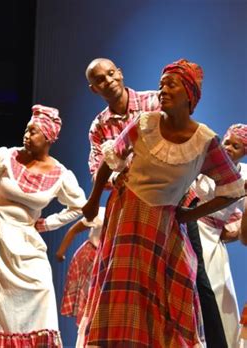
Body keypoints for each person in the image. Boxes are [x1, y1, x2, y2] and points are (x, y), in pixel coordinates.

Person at [77, 59, 245, 347]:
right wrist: (93, 202)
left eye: (171, 85)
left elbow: (231, 189)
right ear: (94, 89)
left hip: (169, 215)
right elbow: (104, 163)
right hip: (128, 211)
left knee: (184, 283)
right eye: (162, 84)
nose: (163, 90)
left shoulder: (201, 138)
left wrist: (192, 213)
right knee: (124, 286)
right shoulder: (130, 123)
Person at [0, 105, 87, 347]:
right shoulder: (7, 156)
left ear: (48, 138)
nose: (26, 135)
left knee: (40, 285)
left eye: (33, 132)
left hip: (24, 234)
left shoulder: (61, 175)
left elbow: (79, 207)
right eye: (26, 130)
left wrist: (45, 224)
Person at [189, 123, 247, 347]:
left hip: (213, 240)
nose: (230, 148)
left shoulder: (244, 175)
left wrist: (234, 227)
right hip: (191, 228)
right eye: (227, 143)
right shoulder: (206, 162)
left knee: (216, 293)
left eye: (237, 146)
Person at [56, 208, 104, 326]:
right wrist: (60, 252)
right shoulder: (100, 214)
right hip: (89, 257)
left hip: (104, 259)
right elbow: (74, 230)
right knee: (87, 302)